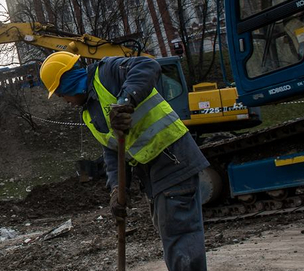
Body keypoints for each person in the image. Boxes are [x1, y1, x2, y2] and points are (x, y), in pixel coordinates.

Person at [40, 51, 209, 271]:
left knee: (179, 236)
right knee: (171, 233)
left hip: (172, 158)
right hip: (153, 173)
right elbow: (112, 153)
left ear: (68, 83)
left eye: (62, 94)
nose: (66, 101)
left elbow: (147, 65)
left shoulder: (107, 73)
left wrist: (126, 100)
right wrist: (117, 189)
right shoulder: (89, 114)